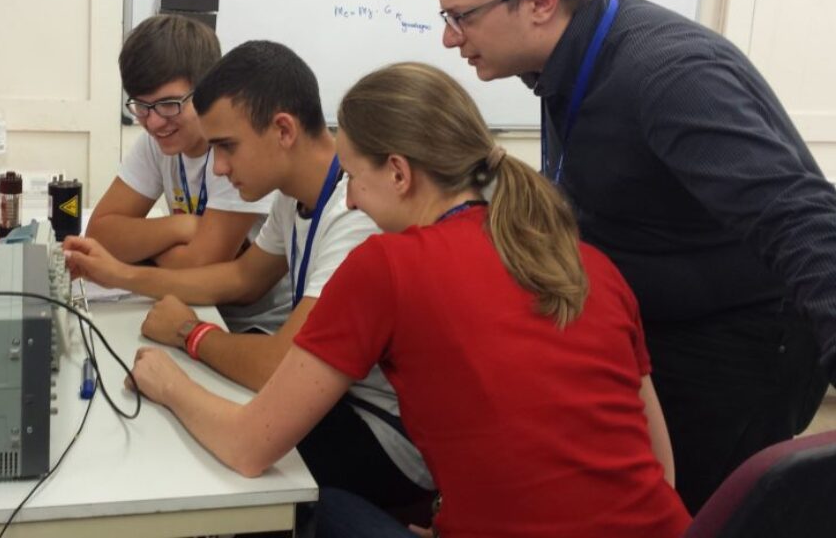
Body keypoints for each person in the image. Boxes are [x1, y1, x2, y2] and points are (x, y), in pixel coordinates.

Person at [126, 62, 692, 538]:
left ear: (398, 173)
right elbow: (659, 468)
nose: (349, 201)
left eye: (352, 177)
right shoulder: (585, 262)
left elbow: (249, 448)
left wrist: (168, 383)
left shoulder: (387, 265)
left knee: (304, 503)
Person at [436, 0, 836, 514]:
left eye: (463, 17)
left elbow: (801, 218)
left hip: (743, 346)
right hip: (667, 327)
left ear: (540, 2)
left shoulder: (669, 74)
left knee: (698, 515)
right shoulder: (566, 63)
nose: (449, 38)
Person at [65, 41, 434, 522]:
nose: (218, 166)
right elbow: (243, 277)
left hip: (385, 435)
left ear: (283, 130)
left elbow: (277, 364)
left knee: (198, 459)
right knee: (188, 426)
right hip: (340, 397)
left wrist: (189, 333)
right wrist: (123, 276)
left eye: (226, 146)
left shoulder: (356, 213)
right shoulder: (293, 196)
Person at [84, 14, 288, 332]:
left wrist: (144, 251)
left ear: (207, 91)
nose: (153, 122)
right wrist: (184, 226)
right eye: (141, 107)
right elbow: (100, 234)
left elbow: (200, 265)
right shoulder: (157, 142)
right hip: (193, 305)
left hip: (255, 324)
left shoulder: (235, 148)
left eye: (169, 104)